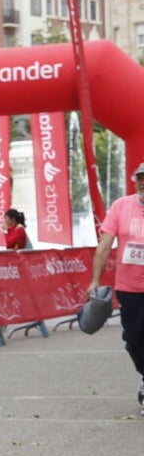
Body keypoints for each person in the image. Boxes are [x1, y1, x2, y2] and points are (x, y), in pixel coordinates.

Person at [89, 161, 144, 414]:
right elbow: (104, 246)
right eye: (140, 178)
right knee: (132, 339)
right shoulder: (121, 206)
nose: (143, 183)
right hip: (129, 287)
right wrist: (95, 280)